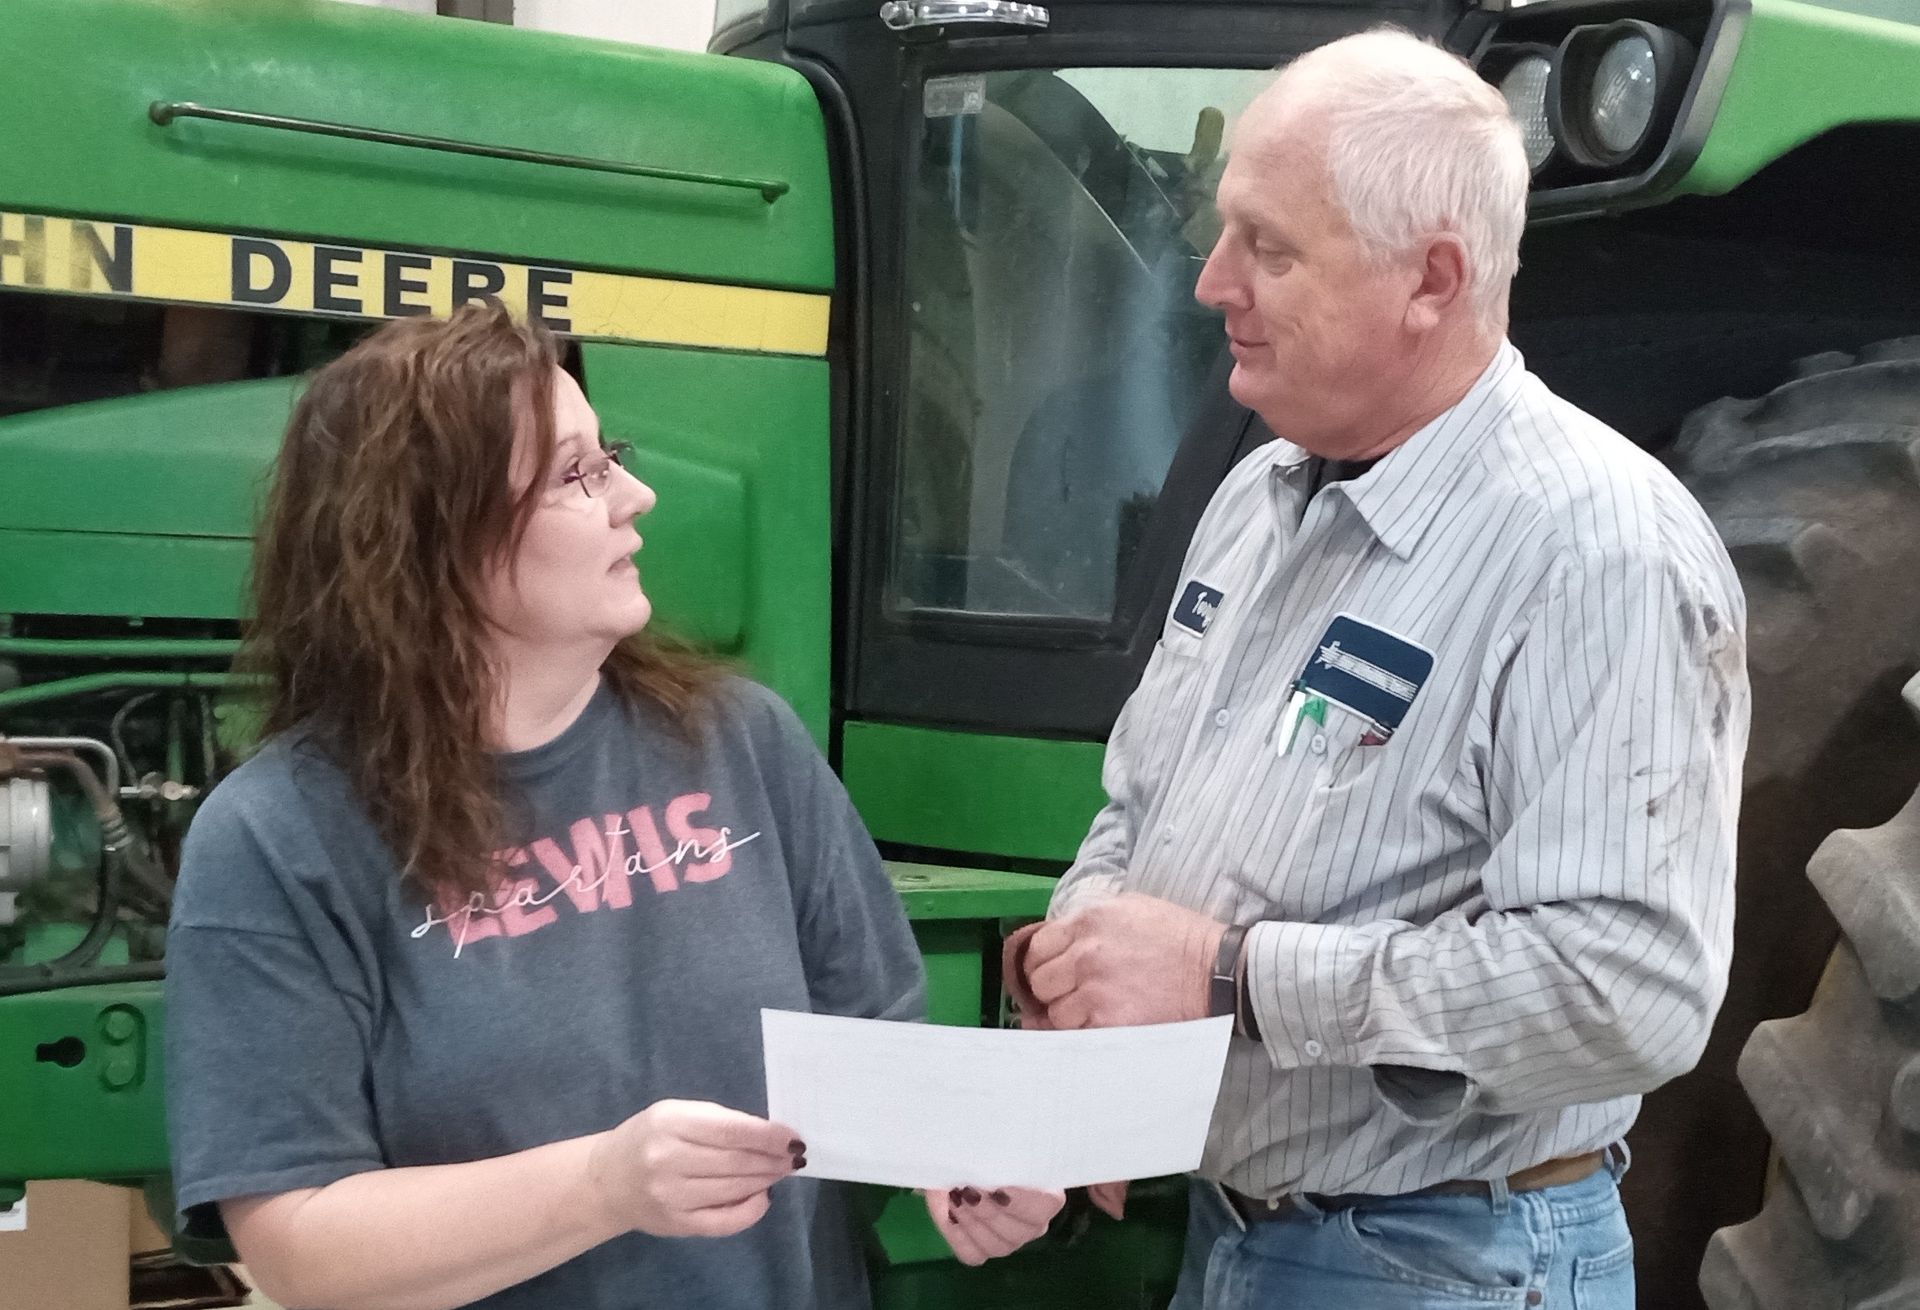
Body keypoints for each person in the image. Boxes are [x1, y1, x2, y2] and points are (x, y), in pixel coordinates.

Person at [1004, 28, 1749, 1309]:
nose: (1210, 282)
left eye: (1270, 247)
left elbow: (1629, 989)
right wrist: (1088, 1031)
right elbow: (1145, 808)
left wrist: (1231, 976)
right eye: (1224, 229)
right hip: (1239, 1237)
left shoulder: (1598, 552)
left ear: (1432, 279)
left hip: (1445, 1262)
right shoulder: (1260, 493)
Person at [164, 302, 1062, 1310]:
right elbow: (298, 1244)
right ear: (431, 541)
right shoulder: (279, 839)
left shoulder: (740, 740)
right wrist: (601, 1184)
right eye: (575, 473)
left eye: (611, 454)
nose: (635, 495)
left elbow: (878, 1053)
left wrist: (960, 1158)